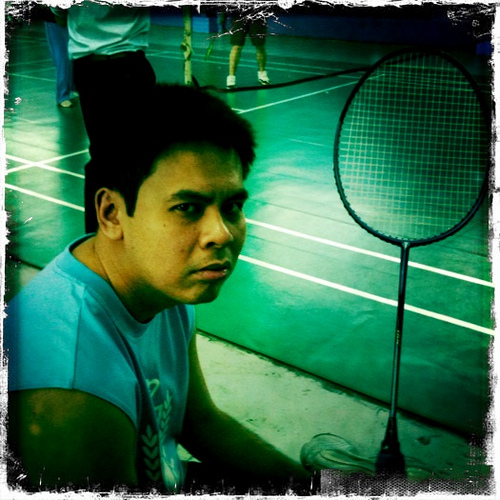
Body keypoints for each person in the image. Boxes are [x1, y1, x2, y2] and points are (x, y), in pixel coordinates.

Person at [4, 83, 311, 494]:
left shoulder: (162, 284)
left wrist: (315, 487)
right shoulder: (70, 387)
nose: (221, 234)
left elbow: (198, 420)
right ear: (111, 214)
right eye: (187, 208)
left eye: (233, 206)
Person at [51, 2, 156, 233]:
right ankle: (138, 230)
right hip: (129, 65)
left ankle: (96, 234)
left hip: (90, 70)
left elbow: (59, 15)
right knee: (138, 156)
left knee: (100, 157)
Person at [226, 13, 270, 88]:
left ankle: (262, 74)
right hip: (239, 15)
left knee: (260, 45)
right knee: (236, 46)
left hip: (257, 16)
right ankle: (231, 77)